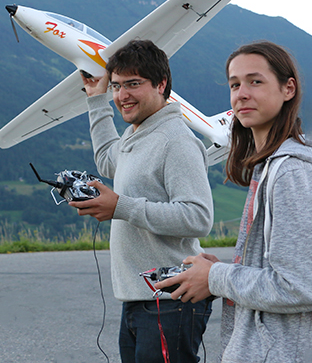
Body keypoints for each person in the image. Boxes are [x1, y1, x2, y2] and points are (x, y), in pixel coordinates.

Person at [155, 41, 312, 363]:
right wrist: (224, 270)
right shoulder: (270, 165)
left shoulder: (290, 171)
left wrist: (216, 277)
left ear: (288, 89)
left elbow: (299, 285)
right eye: (235, 84)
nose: (242, 93)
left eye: (256, 81)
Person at [69, 39, 214, 363]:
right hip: (140, 297)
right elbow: (109, 160)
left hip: (170, 298)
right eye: (118, 85)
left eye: (133, 84)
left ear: (161, 84)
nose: (122, 95)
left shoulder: (175, 140)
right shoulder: (139, 133)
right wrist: (97, 100)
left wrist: (120, 206)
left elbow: (198, 217)